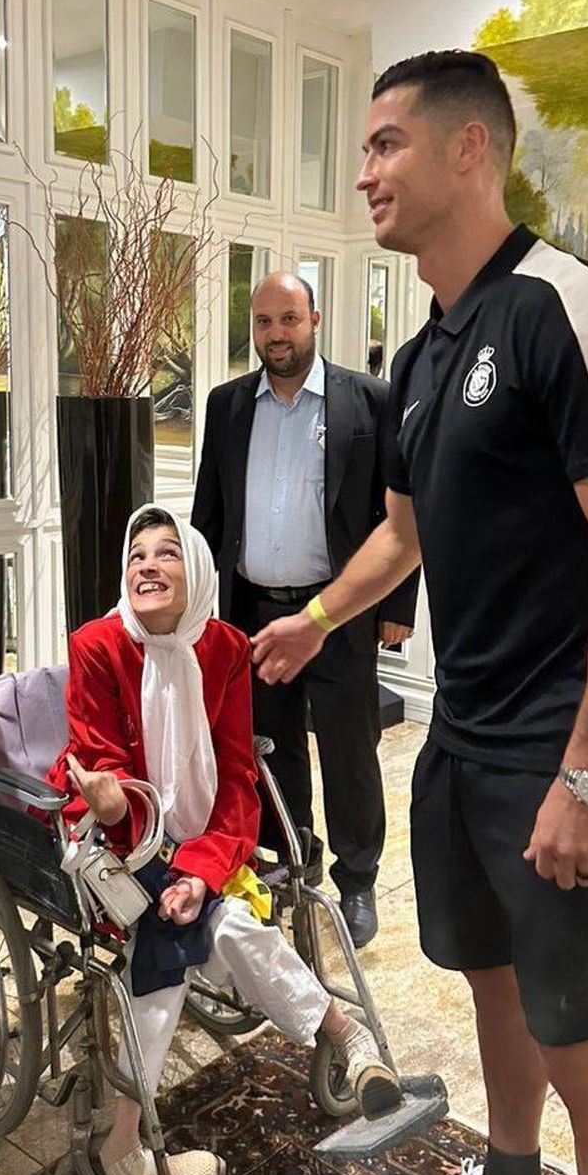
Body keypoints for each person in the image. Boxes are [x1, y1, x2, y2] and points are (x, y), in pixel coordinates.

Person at [252, 51, 588, 1175]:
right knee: (492, 982)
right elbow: (405, 534)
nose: (365, 173)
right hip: (467, 729)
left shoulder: (563, 308)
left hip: (566, 741)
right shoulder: (422, 352)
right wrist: (319, 618)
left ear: (470, 150)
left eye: (386, 143)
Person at [46, 505, 401, 1175]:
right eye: (136, 554)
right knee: (183, 931)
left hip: (193, 840)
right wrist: (122, 818)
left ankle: (124, 1147)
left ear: (199, 571)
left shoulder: (225, 648)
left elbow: (237, 778)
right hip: (111, 836)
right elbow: (102, 768)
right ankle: (343, 1033)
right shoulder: (97, 644)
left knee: (214, 924)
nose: (147, 564)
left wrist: (200, 872)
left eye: (167, 552)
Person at [192, 272, 418, 949]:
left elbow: (400, 514)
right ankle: (295, 863)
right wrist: (198, 609)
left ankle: (358, 879)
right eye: (263, 322)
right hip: (255, 614)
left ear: (314, 319)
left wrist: (397, 603)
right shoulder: (227, 405)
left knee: (350, 749)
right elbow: (209, 513)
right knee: (273, 748)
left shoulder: (369, 400)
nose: (276, 334)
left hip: (338, 615)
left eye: (288, 319)